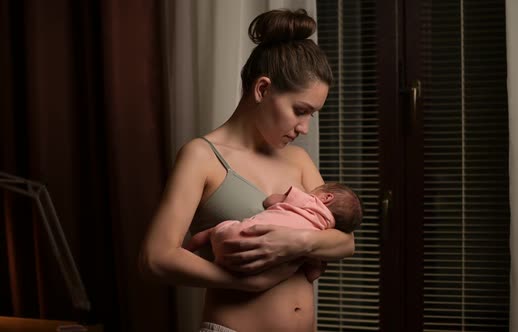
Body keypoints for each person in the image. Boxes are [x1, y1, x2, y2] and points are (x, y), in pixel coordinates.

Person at [139, 8, 356, 332]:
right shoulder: (202, 156)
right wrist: (243, 283)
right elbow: (155, 259)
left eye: (313, 115)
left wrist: (294, 243)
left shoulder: (299, 161)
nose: (304, 128)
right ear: (263, 89)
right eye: (300, 111)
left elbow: (344, 241)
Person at [184, 183, 362, 282]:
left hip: (236, 236)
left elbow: (270, 201)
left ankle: (188, 249)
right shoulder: (322, 230)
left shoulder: (309, 201)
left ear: (326, 197)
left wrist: (282, 198)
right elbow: (313, 274)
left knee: (212, 232)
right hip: (254, 270)